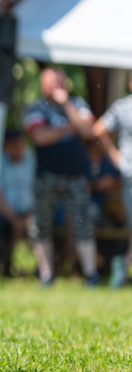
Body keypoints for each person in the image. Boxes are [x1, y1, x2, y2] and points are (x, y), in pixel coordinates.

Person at [24, 66, 98, 286]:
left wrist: (66, 105)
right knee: (42, 225)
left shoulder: (77, 104)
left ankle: (91, 275)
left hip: (75, 176)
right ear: (42, 85)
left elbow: (88, 130)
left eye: (59, 82)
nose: (56, 87)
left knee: (83, 224)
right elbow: (39, 137)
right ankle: (46, 275)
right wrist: (69, 129)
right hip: (46, 176)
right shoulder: (35, 107)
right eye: (51, 82)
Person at [92, 74, 132, 288]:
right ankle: (122, 267)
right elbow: (97, 129)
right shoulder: (123, 107)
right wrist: (115, 155)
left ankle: (123, 265)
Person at [0, 130, 36, 276]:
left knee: (41, 226)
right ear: (6, 146)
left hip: (31, 212)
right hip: (7, 213)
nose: (18, 147)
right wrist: (15, 220)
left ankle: (43, 270)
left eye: (20, 143)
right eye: (14, 144)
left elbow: (40, 191)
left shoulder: (33, 159)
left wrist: (27, 217)